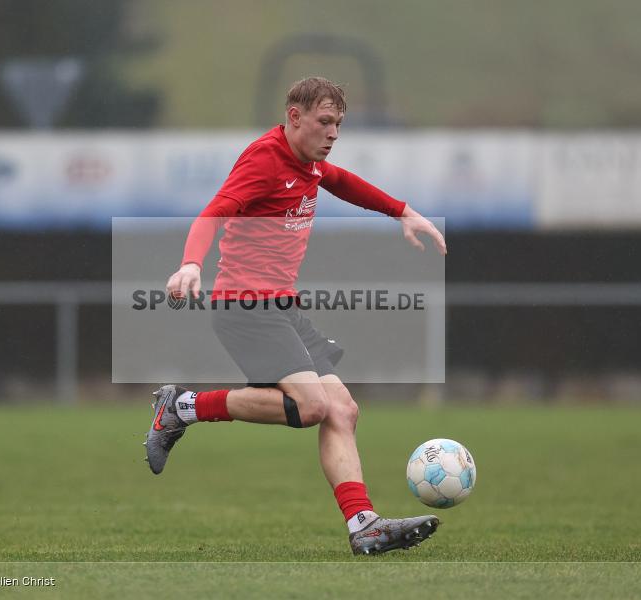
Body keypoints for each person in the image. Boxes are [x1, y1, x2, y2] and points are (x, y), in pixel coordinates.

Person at [144, 76, 447, 556]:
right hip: (243, 307)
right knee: (313, 407)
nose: (333, 133)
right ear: (294, 117)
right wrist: (190, 263)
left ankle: (364, 524)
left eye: (339, 124)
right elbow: (214, 212)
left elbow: (341, 181)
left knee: (343, 410)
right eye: (324, 122)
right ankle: (181, 407)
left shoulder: (311, 164)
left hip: (281, 307)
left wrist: (403, 211)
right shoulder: (265, 160)